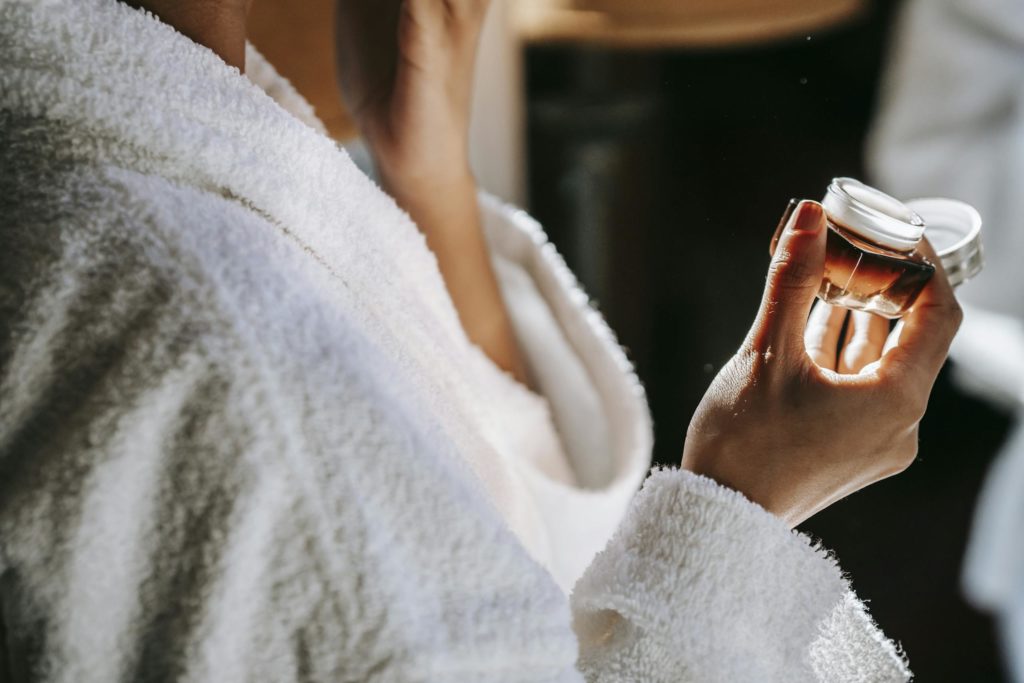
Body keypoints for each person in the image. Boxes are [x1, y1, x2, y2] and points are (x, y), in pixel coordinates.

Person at [0, 0, 962, 680]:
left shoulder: (142, 152)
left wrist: (428, 180)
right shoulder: (211, 338)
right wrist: (746, 498)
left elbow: (495, 537)